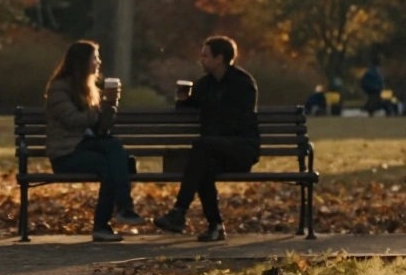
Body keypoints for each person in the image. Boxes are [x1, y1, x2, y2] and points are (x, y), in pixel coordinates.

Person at [153, 36, 260, 242]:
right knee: (203, 165)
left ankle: (179, 211)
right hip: (213, 152)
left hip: (241, 150)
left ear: (219, 59)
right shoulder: (205, 85)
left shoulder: (243, 84)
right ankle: (214, 226)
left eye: (205, 56)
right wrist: (182, 100)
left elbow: (239, 123)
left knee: (202, 149)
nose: (200, 60)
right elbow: (190, 105)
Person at [44, 41, 143, 243]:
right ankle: (108, 220)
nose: (99, 62)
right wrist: (99, 109)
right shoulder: (59, 89)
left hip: (87, 147)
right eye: (94, 58)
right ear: (82, 62)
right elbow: (73, 120)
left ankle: (121, 210)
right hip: (66, 155)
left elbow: (101, 128)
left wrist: (110, 106)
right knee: (110, 164)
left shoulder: (89, 88)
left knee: (118, 152)